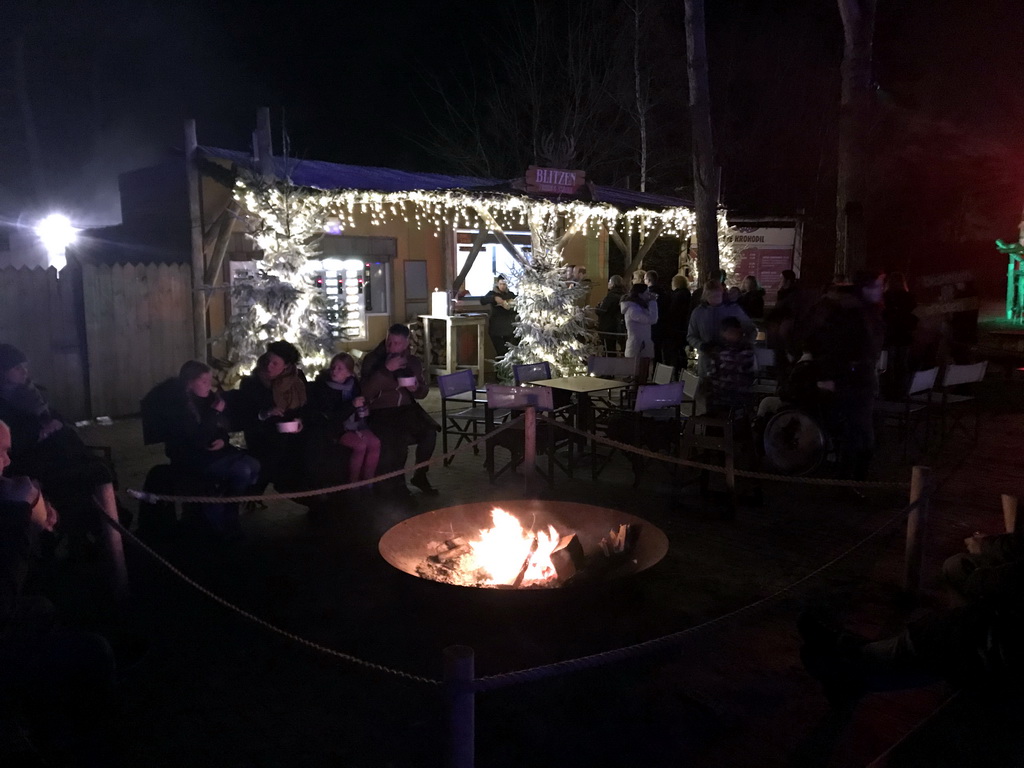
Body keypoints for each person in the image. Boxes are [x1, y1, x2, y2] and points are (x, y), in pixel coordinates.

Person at [0, 419, 119, 764]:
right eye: (2, 452)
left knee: (62, 604)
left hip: (25, 615)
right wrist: (20, 517)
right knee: (91, 652)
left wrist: (36, 521)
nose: (8, 461)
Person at [0, 343, 128, 597]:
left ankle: (101, 537)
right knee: (80, 485)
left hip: (62, 455)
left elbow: (63, 421)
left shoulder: (35, 395)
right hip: (32, 464)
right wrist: (39, 433)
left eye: (25, 367)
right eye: (17, 368)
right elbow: (9, 446)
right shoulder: (3, 406)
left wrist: (59, 424)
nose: (24, 373)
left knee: (97, 473)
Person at [798, 271, 885, 482]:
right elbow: (841, 347)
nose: (880, 291)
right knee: (856, 432)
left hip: (853, 379)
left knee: (857, 432)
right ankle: (850, 479)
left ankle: (851, 478)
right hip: (850, 379)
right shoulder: (851, 313)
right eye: (875, 287)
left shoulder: (858, 311)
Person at [164, 361, 260, 540]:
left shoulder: (209, 399)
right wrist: (213, 413)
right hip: (193, 457)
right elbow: (196, 439)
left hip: (215, 453)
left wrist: (222, 441)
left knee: (254, 465)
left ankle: (227, 504)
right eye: (203, 382)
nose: (209, 386)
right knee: (242, 470)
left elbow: (222, 429)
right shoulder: (179, 407)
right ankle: (227, 514)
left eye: (210, 381)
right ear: (189, 383)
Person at [361, 324, 440, 500]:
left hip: (406, 409)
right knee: (398, 444)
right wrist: (385, 370)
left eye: (397, 343)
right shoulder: (373, 360)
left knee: (430, 434)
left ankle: (420, 475)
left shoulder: (412, 362)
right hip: (381, 411)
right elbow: (365, 393)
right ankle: (398, 488)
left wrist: (415, 388)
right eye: (389, 342)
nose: (391, 347)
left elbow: (423, 392)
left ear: (406, 344)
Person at [233, 340, 308, 493]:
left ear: (286, 366)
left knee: (308, 444)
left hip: (290, 429)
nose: (269, 366)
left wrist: (299, 420)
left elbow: (304, 406)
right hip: (263, 431)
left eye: (275, 363)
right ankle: (256, 490)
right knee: (276, 449)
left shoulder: (296, 378)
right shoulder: (252, 382)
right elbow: (247, 415)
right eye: (267, 361)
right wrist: (266, 413)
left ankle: (305, 492)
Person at [307, 353, 381, 488]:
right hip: (336, 428)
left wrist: (363, 412)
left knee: (375, 443)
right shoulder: (323, 388)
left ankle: (368, 482)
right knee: (360, 445)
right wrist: (352, 405)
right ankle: (353, 484)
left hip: (355, 425)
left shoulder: (353, 385)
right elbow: (332, 417)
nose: (335, 371)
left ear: (349, 373)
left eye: (340, 368)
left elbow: (359, 408)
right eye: (333, 367)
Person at [687, 281, 757, 406]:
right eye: (712, 296)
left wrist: (743, 345)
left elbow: (750, 329)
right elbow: (691, 335)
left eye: (718, 296)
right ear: (706, 296)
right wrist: (701, 345)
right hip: (708, 360)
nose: (715, 299)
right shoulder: (698, 313)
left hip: (732, 363)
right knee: (709, 400)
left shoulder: (733, 309)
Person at [705, 316, 757, 419]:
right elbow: (713, 375)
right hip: (719, 400)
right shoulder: (718, 351)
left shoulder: (746, 352)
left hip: (737, 400)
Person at [881, 270, 918, 399]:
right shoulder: (909, 297)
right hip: (904, 334)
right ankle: (902, 391)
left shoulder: (885, 297)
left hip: (890, 334)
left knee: (889, 364)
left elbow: (883, 315)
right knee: (902, 364)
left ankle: (889, 391)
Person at [480, 275, 517, 359]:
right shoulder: (492, 294)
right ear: (497, 284)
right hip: (496, 329)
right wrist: (494, 298)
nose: (503, 286)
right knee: (500, 353)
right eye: (501, 284)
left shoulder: (511, 295)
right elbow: (483, 300)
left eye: (504, 284)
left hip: (509, 329)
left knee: (510, 354)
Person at [621, 282, 658, 361]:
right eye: (647, 293)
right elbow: (652, 319)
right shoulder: (633, 310)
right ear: (640, 294)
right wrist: (653, 303)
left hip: (641, 345)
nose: (649, 295)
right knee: (636, 371)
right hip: (637, 347)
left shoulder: (640, 307)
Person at [663, 274, 692, 370]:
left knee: (673, 351)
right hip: (682, 328)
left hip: (674, 328)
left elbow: (672, 312)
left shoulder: (677, 296)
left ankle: (675, 370)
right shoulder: (687, 295)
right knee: (680, 350)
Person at [595, 275, 627, 354]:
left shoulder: (611, 296)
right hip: (618, 326)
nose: (608, 284)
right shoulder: (623, 295)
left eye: (609, 282)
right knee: (613, 348)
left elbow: (602, 310)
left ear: (613, 283)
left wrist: (598, 307)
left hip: (607, 326)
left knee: (608, 348)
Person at [643, 270, 671, 362]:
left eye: (645, 279)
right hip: (663, 324)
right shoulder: (663, 293)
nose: (644, 281)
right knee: (658, 350)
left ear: (649, 280)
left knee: (652, 350)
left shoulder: (648, 294)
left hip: (652, 326)